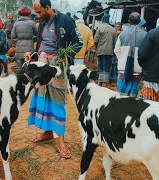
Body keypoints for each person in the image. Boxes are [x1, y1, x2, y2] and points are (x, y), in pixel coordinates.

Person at [28, 0, 83, 159]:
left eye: (39, 12)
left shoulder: (65, 20)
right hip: (41, 66)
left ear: (47, 7)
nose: (37, 15)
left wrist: (64, 55)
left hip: (57, 68)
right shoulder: (42, 22)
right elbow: (40, 44)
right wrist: (33, 54)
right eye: (36, 12)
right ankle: (47, 133)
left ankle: (61, 141)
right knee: (43, 100)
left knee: (58, 102)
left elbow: (78, 42)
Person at [114, 12, 147, 97]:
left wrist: (122, 59)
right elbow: (146, 53)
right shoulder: (145, 35)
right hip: (136, 71)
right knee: (132, 97)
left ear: (129, 21)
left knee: (120, 96)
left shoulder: (122, 34)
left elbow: (116, 50)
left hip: (123, 70)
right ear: (140, 21)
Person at [94, 13, 116, 87]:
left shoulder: (100, 28)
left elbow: (95, 40)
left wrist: (96, 48)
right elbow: (115, 42)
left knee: (101, 66)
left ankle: (100, 81)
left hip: (101, 50)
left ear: (102, 20)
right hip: (110, 51)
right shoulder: (113, 30)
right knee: (107, 66)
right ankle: (105, 82)